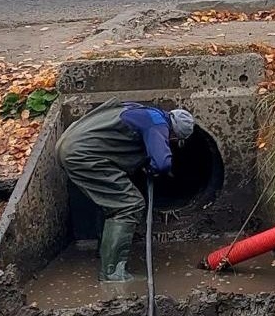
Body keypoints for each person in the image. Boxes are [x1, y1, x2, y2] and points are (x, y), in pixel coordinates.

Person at [56, 99, 195, 282]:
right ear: (174, 135)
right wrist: (154, 167)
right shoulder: (158, 124)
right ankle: (112, 274)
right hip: (83, 155)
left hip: (69, 144)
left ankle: (105, 253)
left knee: (111, 201)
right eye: (173, 141)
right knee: (129, 205)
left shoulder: (141, 110)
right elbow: (162, 163)